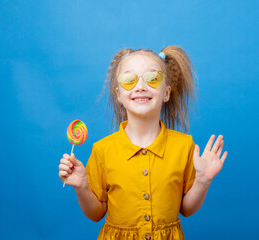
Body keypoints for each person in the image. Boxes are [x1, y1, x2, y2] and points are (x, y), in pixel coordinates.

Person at [58, 45, 228, 240]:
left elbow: (186, 209)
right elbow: (96, 214)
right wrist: (82, 186)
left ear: (166, 93)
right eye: (129, 80)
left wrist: (202, 181)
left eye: (152, 79)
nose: (140, 86)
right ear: (119, 94)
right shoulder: (102, 150)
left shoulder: (185, 146)